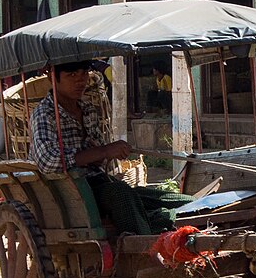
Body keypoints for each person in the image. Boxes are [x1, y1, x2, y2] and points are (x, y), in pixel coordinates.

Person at [28, 60, 190, 235]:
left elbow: (97, 157)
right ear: (53, 78)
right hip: (70, 193)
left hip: (100, 185)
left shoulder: (88, 110)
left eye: (83, 74)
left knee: (177, 200)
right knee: (120, 193)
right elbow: (48, 161)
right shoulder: (44, 114)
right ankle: (144, 243)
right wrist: (104, 151)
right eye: (72, 75)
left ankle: (174, 220)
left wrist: (105, 153)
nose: (80, 80)